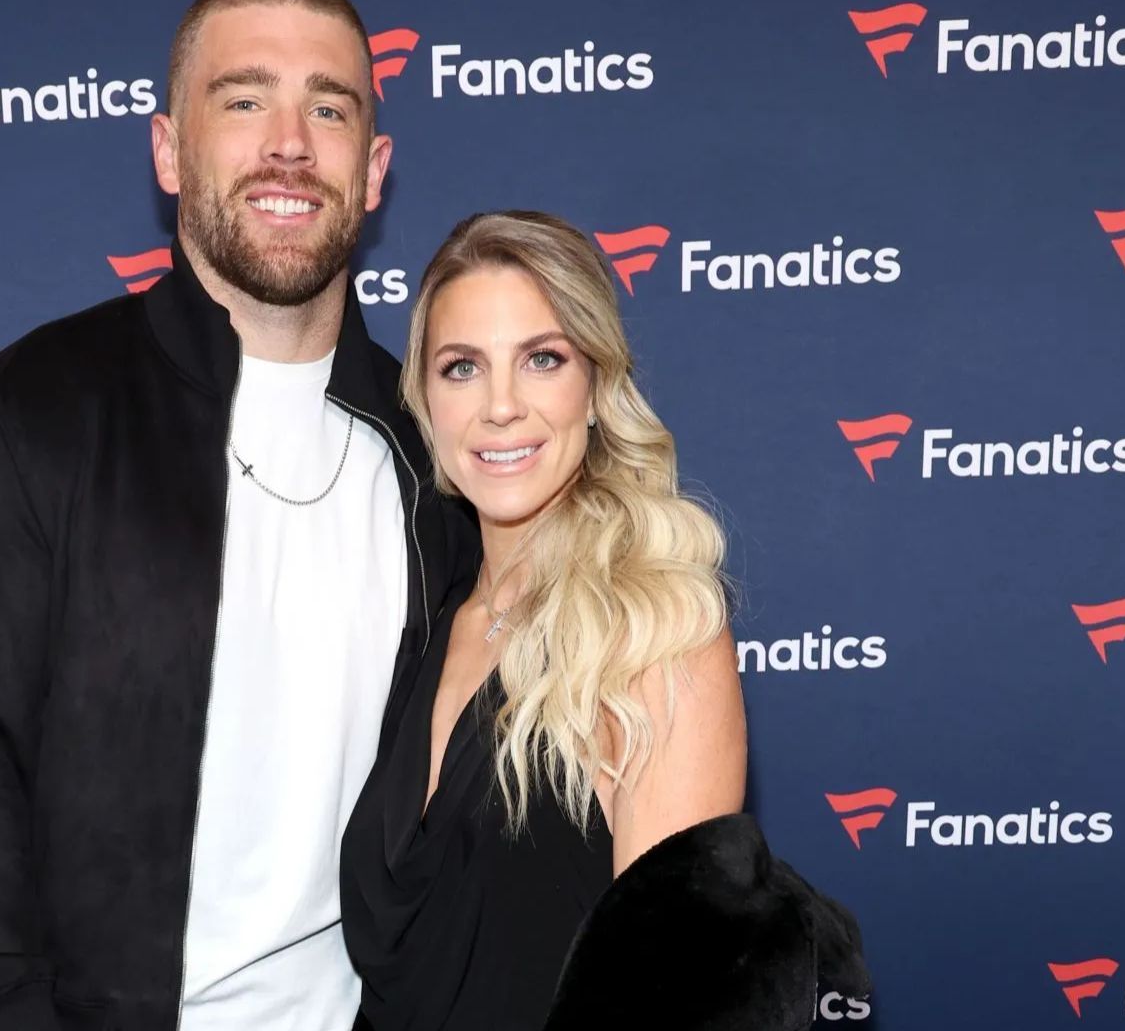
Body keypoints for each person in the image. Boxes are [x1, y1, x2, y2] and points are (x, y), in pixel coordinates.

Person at [0, 0, 464, 1031]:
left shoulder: (434, 444)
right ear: (169, 150)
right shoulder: (30, 413)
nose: (290, 143)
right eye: (245, 101)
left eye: (328, 108)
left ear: (375, 168)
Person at [341, 211, 867, 1030]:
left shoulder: (656, 632)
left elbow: (675, 1006)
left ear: (594, 388)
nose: (501, 407)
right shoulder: (435, 623)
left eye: (542, 360)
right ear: (424, 400)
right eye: (462, 368)